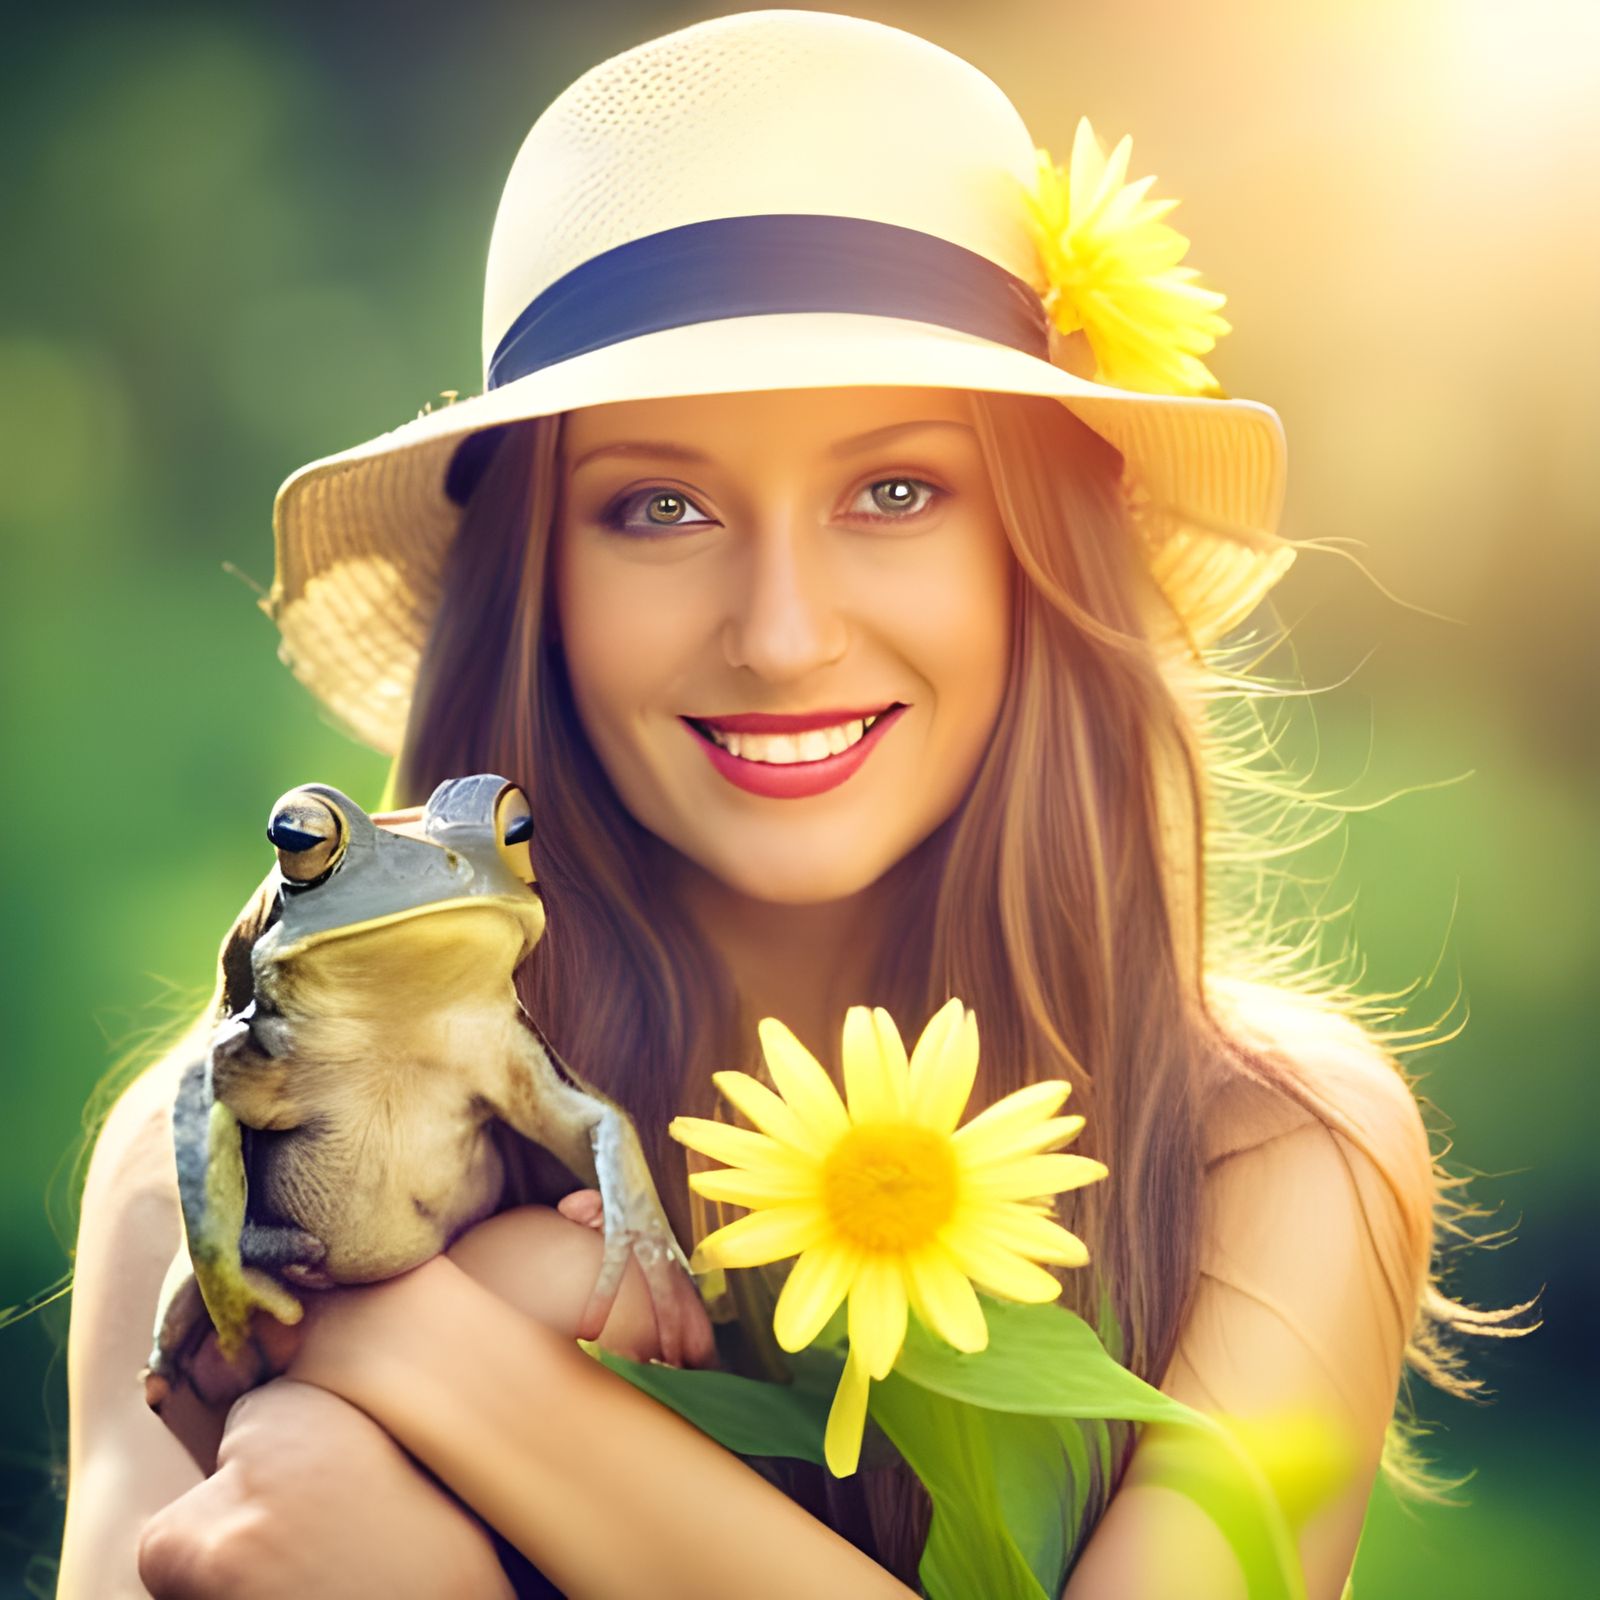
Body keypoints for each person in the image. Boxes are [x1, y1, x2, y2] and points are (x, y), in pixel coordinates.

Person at [56, 11, 1526, 1599]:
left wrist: (415, 1354)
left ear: (1039, 558)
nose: (780, 632)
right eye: (657, 505)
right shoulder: (206, 1169)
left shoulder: (1265, 1153)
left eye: (896, 490)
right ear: (533, 588)